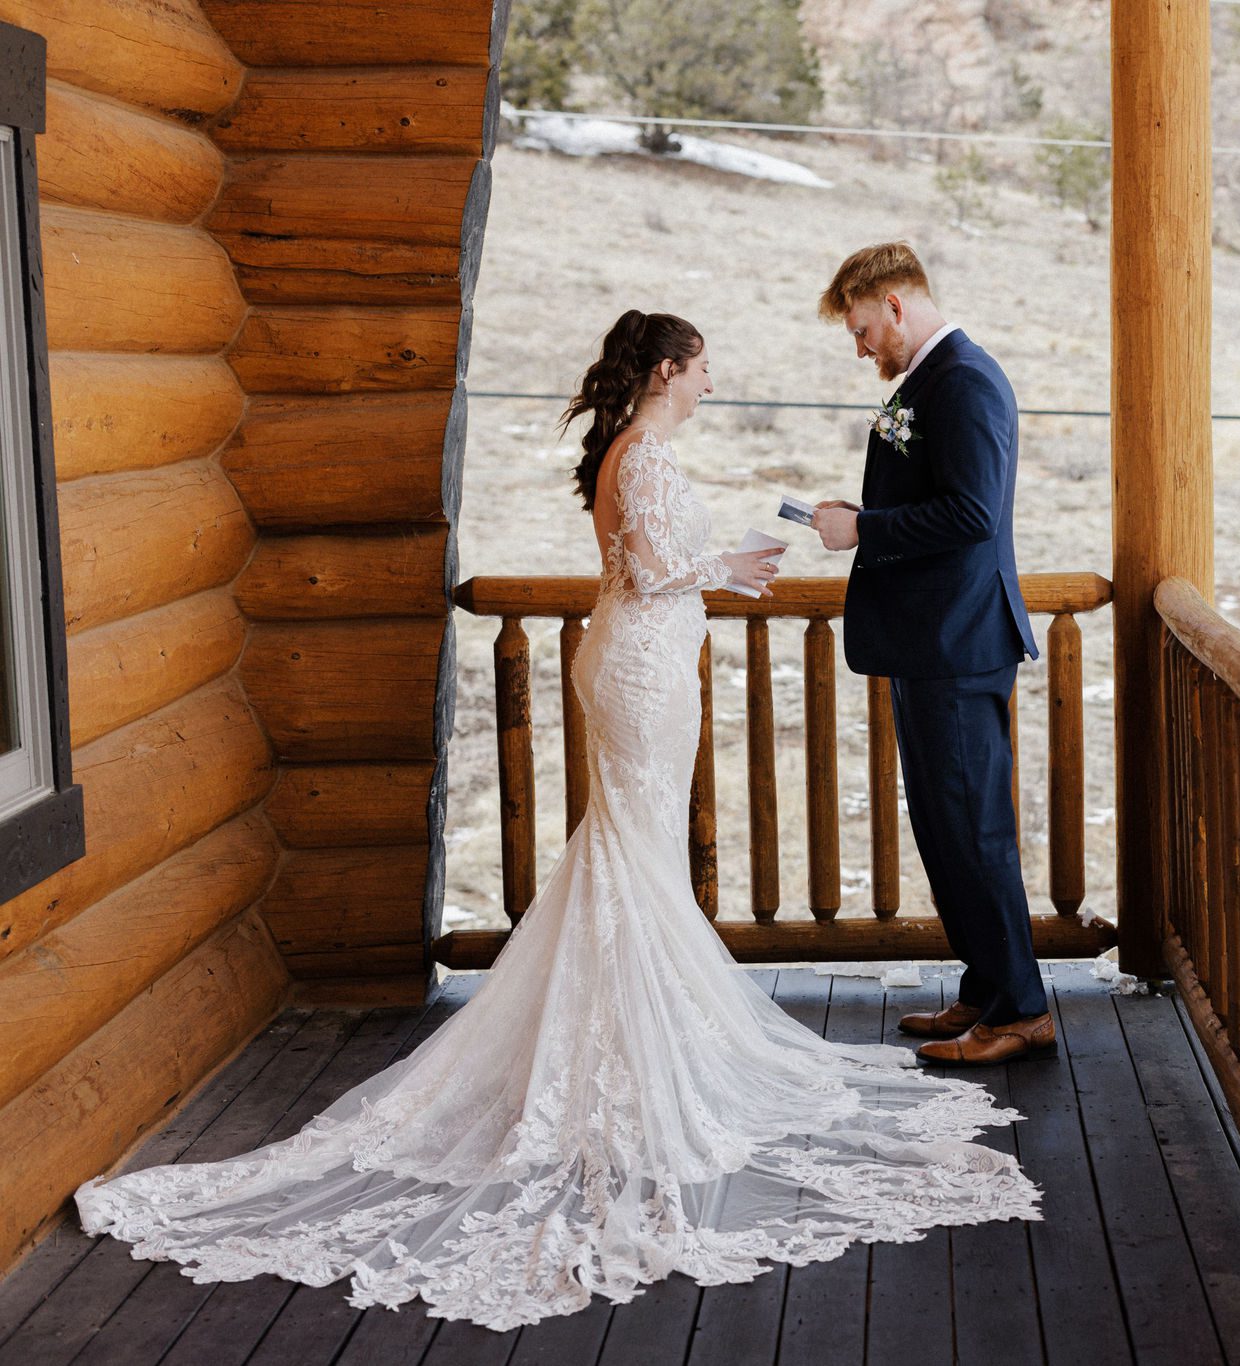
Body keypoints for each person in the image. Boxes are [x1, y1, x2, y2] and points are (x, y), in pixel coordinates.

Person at [72, 309, 1041, 1332]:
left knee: (630, 854)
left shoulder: (635, 447)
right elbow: (658, 570)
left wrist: (719, 569)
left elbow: (645, 566)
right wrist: (727, 565)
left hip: (641, 657)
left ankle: (623, 1036)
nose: (712, 383)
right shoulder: (645, 455)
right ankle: (629, 1058)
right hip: (639, 666)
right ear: (668, 370)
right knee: (628, 853)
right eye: (703, 367)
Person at [812, 243, 1054, 1067]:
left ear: (896, 305)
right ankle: (986, 988)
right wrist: (866, 512)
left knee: (975, 827)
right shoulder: (928, 384)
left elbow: (973, 515)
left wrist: (864, 531)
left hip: (959, 640)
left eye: (861, 328)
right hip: (930, 640)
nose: (860, 347)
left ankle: (1021, 1009)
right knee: (944, 823)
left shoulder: (967, 381)